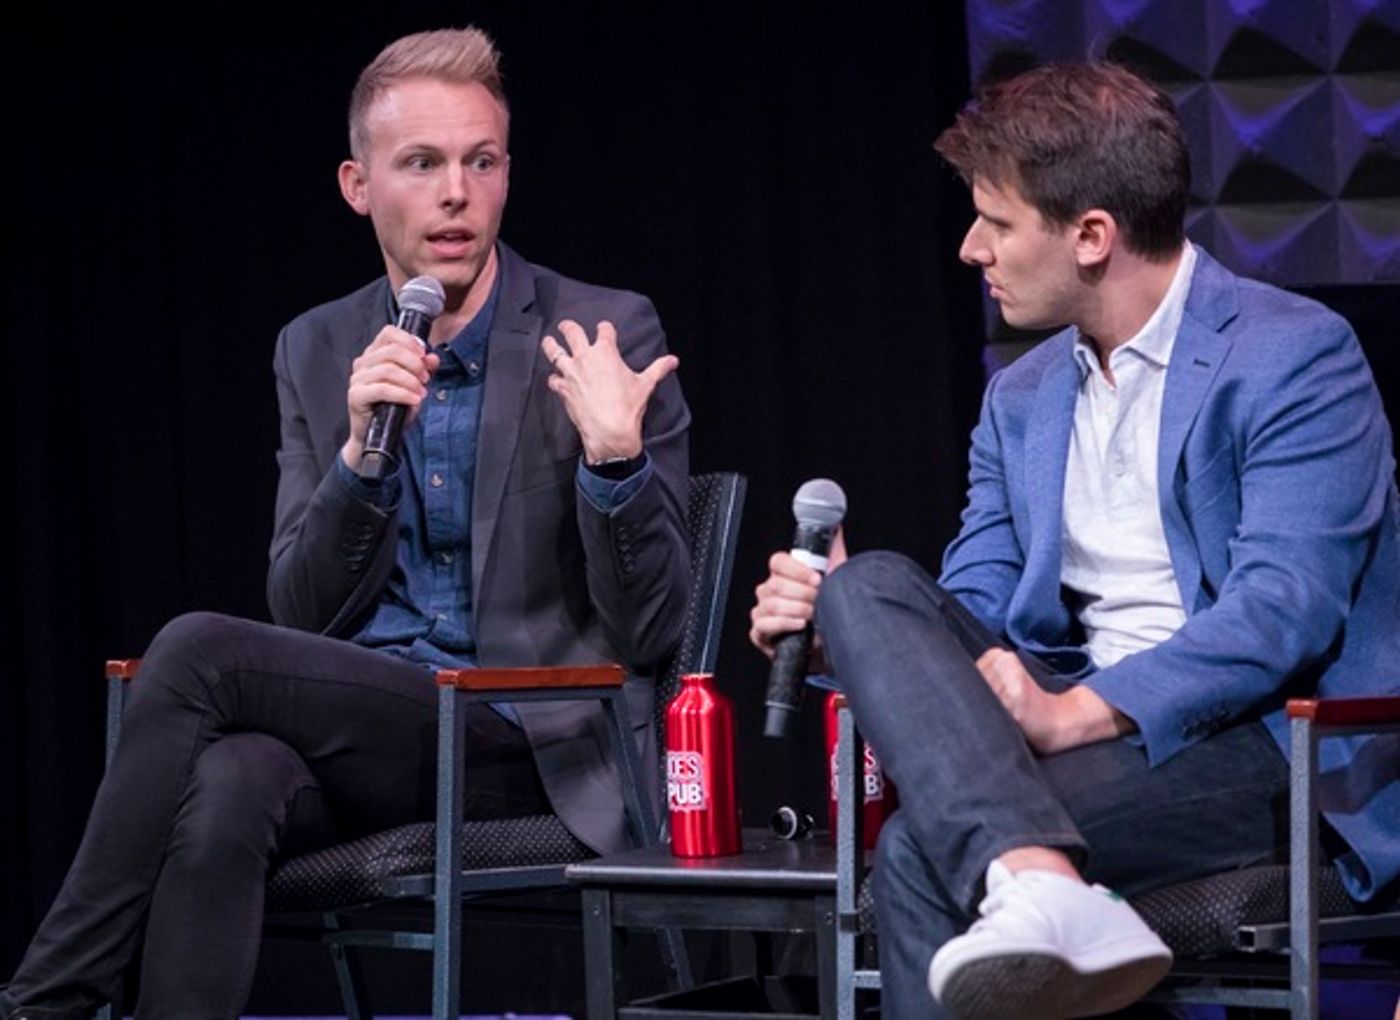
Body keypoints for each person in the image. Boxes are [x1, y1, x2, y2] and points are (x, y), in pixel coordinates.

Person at [2, 26, 689, 1020]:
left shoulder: (601, 331)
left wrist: (613, 461)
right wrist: (362, 456)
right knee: (233, 782)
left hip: (527, 747)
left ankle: (46, 1002)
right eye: (421, 163)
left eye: (480, 162)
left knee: (197, 650)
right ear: (357, 184)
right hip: (375, 740)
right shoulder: (318, 347)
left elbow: (654, 630)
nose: (456, 192)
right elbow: (304, 611)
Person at [750, 61, 1399, 1019]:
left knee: (928, 850)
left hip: (1262, 744)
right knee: (872, 584)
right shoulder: (1020, 399)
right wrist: (840, 616)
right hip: (1069, 730)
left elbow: (1281, 614)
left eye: (997, 224)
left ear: (1092, 234)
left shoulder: (1293, 353)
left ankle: (1036, 878)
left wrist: (1079, 712)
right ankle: (1040, 878)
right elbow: (970, 608)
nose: (971, 249)